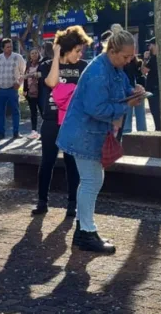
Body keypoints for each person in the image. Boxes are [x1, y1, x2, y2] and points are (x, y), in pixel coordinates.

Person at [57, 29, 144, 254]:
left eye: (131, 57)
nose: (129, 61)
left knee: (92, 180)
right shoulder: (98, 72)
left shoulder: (113, 67)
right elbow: (96, 108)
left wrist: (136, 92)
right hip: (83, 134)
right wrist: (127, 105)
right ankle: (86, 232)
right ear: (112, 51)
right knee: (91, 181)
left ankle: (83, 231)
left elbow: (124, 89)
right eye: (126, 57)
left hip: (90, 134)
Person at [33, 26, 89, 218]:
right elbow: (51, 83)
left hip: (72, 122)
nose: (80, 54)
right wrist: (57, 57)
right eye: (77, 50)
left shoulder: (83, 67)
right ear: (67, 48)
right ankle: (42, 201)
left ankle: (72, 203)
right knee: (47, 161)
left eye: (81, 51)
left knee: (71, 163)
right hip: (51, 121)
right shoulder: (47, 65)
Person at [0, 38, 26, 139]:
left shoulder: (18, 57)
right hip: (1, 89)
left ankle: (16, 132)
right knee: (0, 112)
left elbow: (23, 72)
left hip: (12, 89)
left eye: (11, 46)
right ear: (3, 48)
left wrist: (19, 83)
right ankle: (1, 132)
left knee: (15, 111)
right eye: (7, 47)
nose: (10, 48)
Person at [121, 49, 148, 134]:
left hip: (139, 92)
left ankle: (143, 134)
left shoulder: (137, 63)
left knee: (141, 116)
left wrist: (145, 59)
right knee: (128, 116)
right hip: (128, 94)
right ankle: (127, 134)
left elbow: (142, 74)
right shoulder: (122, 64)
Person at [23, 48, 43, 139]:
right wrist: (25, 90)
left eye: (35, 53)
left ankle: (44, 131)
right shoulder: (28, 64)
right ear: (30, 55)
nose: (34, 55)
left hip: (40, 92)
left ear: (38, 54)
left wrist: (31, 75)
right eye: (32, 53)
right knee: (33, 113)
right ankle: (34, 131)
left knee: (43, 112)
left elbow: (41, 75)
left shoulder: (42, 64)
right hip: (30, 92)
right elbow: (25, 78)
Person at [143, 38, 161, 131]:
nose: (149, 47)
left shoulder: (154, 59)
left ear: (155, 45)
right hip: (158, 88)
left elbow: (144, 70)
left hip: (153, 90)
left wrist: (145, 59)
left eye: (150, 45)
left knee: (155, 112)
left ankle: (158, 130)